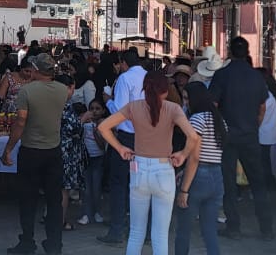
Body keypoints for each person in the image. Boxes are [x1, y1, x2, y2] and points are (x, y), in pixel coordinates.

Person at [99, 72, 198, 255]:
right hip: (163, 169)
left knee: (136, 232)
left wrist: (120, 148)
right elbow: (192, 136)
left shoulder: (134, 107)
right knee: (160, 235)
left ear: (145, 88)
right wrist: (183, 154)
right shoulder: (173, 109)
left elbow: (103, 127)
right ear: (165, 90)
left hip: (139, 169)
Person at [208, 36, 275, 241]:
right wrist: (255, 125)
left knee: (228, 183)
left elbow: (213, 104)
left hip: (229, 135)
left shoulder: (222, 75)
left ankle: (233, 226)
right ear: (247, 52)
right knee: (258, 182)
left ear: (229, 51)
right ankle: (266, 228)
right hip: (249, 135)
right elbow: (262, 107)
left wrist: (220, 128)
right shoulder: (257, 77)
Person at [2, 54, 70, 255]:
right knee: (53, 200)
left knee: (28, 199)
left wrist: (9, 148)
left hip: (31, 150)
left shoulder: (27, 91)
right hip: (53, 150)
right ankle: (54, 243)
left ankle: (27, 241)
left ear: (35, 69)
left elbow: (21, 121)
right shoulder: (62, 90)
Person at [97, 48, 148, 245]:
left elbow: (120, 110)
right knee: (140, 184)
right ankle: (142, 229)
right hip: (146, 136)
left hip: (126, 135)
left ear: (123, 63)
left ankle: (117, 229)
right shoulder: (148, 77)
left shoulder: (125, 79)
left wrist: (108, 101)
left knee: (119, 183)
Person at [174, 82, 226, 255]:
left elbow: (195, 157)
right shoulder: (220, 120)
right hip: (217, 176)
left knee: (183, 230)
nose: (186, 103)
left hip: (198, 176)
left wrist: (184, 190)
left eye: (188, 98)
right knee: (210, 231)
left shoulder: (197, 119)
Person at [57, 76, 85, 231]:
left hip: (50, 147)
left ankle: (50, 216)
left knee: (53, 186)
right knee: (63, 189)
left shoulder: (50, 104)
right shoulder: (66, 108)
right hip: (65, 152)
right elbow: (73, 129)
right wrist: (83, 119)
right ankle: (60, 221)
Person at [76, 99, 106, 226]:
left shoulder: (103, 124)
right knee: (86, 188)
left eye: (97, 108)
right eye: (92, 108)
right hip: (85, 158)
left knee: (96, 187)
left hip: (98, 158)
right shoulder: (83, 123)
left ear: (103, 111)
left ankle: (97, 211)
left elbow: (101, 146)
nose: (94, 111)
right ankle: (86, 213)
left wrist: (96, 131)